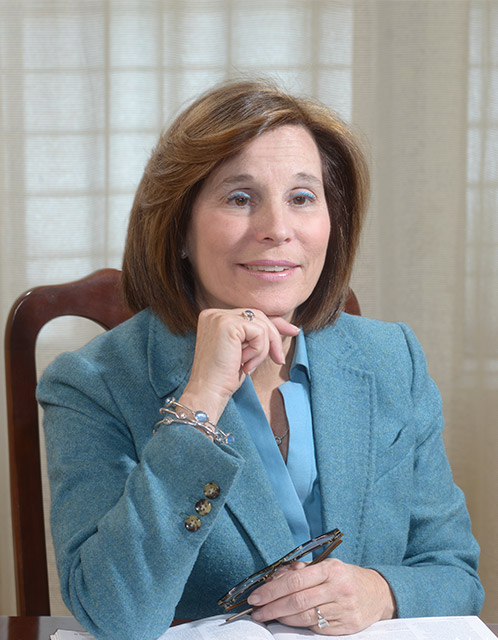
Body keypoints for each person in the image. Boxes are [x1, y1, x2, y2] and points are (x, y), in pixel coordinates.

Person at [37, 79, 484, 640]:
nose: (278, 229)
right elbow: (114, 614)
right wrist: (199, 404)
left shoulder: (392, 358)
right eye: (240, 198)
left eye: (302, 197)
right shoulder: (91, 384)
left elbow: (454, 576)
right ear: (179, 228)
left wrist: (381, 591)